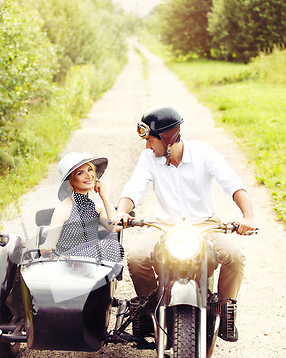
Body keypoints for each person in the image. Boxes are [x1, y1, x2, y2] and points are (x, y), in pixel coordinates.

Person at [112, 105, 256, 341]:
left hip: (205, 224)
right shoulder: (149, 158)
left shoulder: (204, 153)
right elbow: (134, 187)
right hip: (164, 225)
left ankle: (225, 309)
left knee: (235, 256)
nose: (147, 146)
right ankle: (150, 310)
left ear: (167, 139)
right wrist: (121, 212)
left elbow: (232, 183)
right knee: (137, 258)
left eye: (150, 140)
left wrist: (247, 216)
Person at [39, 151, 123, 262]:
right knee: (109, 246)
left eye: (89, 170)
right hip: (68, 262)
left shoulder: (97, 209)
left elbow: (115, 227)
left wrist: (104, 195)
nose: (89, 176)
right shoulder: (64, 208)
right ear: (70, 182)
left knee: (113, 246)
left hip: (93, 264)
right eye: (80, 173)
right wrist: (46, 247)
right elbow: (50, 241)